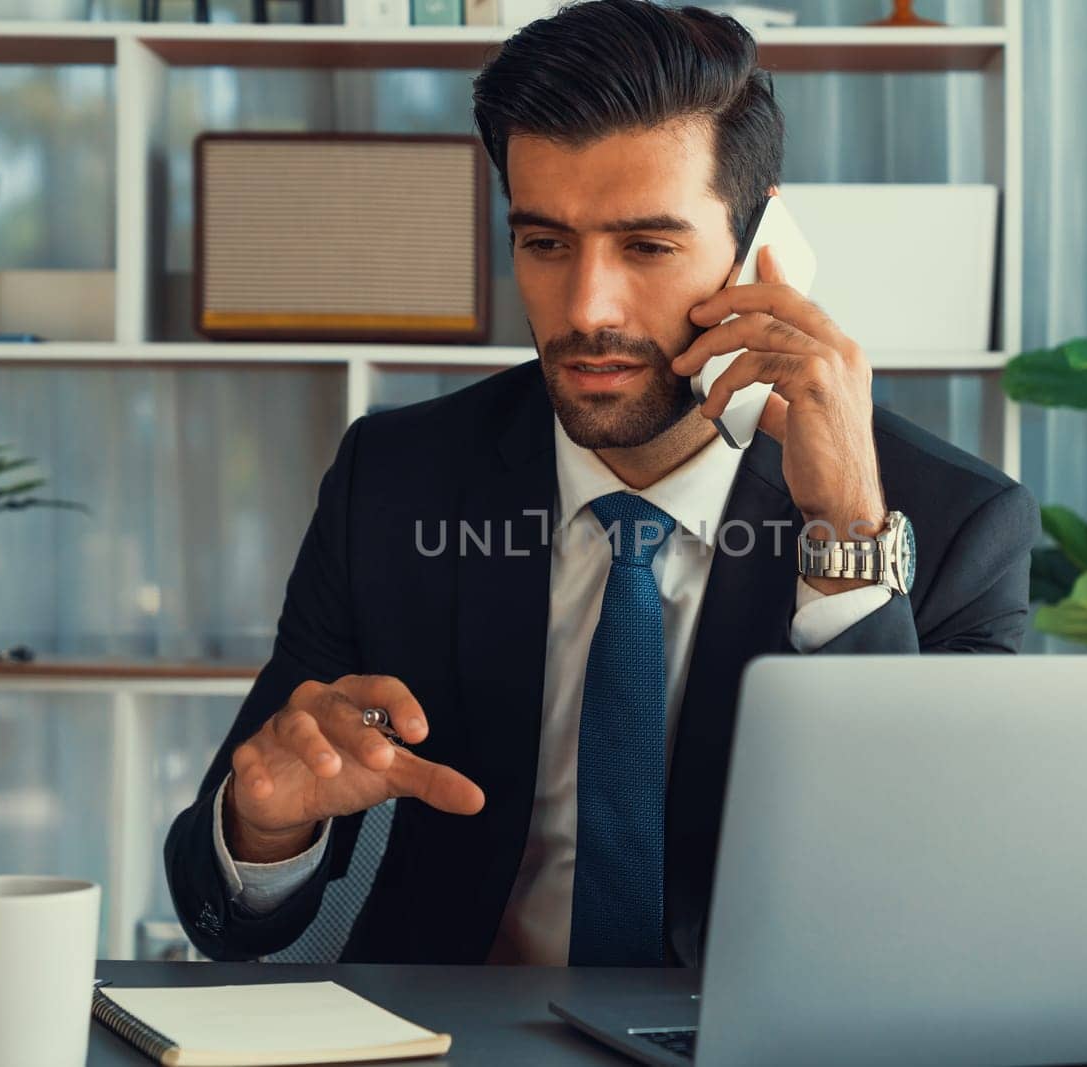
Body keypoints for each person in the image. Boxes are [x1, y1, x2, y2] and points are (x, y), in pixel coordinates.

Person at [164, 0, 1038, 968]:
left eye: (646, 247)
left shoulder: (953, 522)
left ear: (762, 253)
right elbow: (218, 903)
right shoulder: (396, 483)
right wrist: (265, 828)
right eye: (544, 243)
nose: (585, 310)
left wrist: (844, 541)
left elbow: (931, 905)